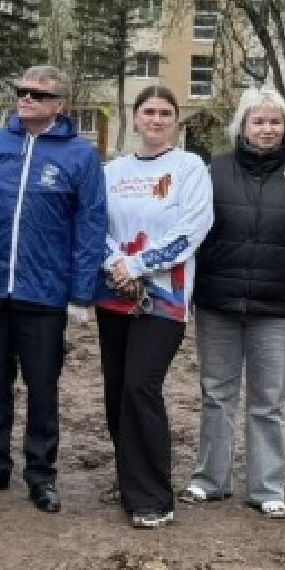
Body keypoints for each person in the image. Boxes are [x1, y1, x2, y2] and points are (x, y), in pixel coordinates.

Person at [0, 65, 106, 514]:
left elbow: (91, 225)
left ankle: (41, 473)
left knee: (42, 387)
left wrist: (81, 293)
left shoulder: (80, 156)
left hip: (45, 292)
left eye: (38, 95)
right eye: (21, 92)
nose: (26, 100)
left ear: (59, 105)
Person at [183, 89, 285, 518]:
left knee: (268, 400)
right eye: (258, 121)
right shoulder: (213, 171)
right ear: (242, 125)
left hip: (277, 308)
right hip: (218, 302)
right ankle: (209, 479)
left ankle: (266, 486)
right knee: (216, 393)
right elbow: (193, 233)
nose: (267, 129)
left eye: (275, 122)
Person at [93, 85, 213, 529]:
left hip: (164, 296)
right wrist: (116, 264)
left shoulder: (190, 167)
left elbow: (193, 227)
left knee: (141, 387)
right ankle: (128, 476)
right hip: (114, 291)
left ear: (175, 120)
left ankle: (153, 495)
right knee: (116, 388)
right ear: (136, 117)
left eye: (165, 112)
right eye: (149, 112)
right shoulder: (114, 170)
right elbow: (96, 223)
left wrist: (140, 265)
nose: (156, 120)